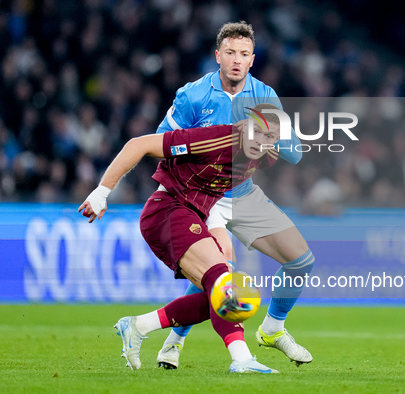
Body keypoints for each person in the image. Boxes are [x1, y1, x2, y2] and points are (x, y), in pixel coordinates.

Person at [156, 21, 314, 369]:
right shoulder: (193, 94)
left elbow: (295, 154)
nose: (236, 60)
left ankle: (273, 329)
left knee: (302, 262)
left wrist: (270, 136)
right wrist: (201, 146)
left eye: (243, 54)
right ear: (218, 56)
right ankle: (173, 342)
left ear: (252, 59)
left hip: (243, 194)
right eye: (230, 53)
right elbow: (161, 141)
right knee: (217, 273)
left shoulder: (265, 97)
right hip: (203, 196)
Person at [79, 103, 281, 373]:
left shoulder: (266, 156)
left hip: (198, 215)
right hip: (168, 209)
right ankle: (242, 360)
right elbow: (138, 145)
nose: (262, 140)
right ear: (243, 126)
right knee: (226, 285)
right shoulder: (215, 139)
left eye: (271, 137)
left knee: (213, 295)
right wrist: (102, 192)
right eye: (258, 131)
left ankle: (138, 326)